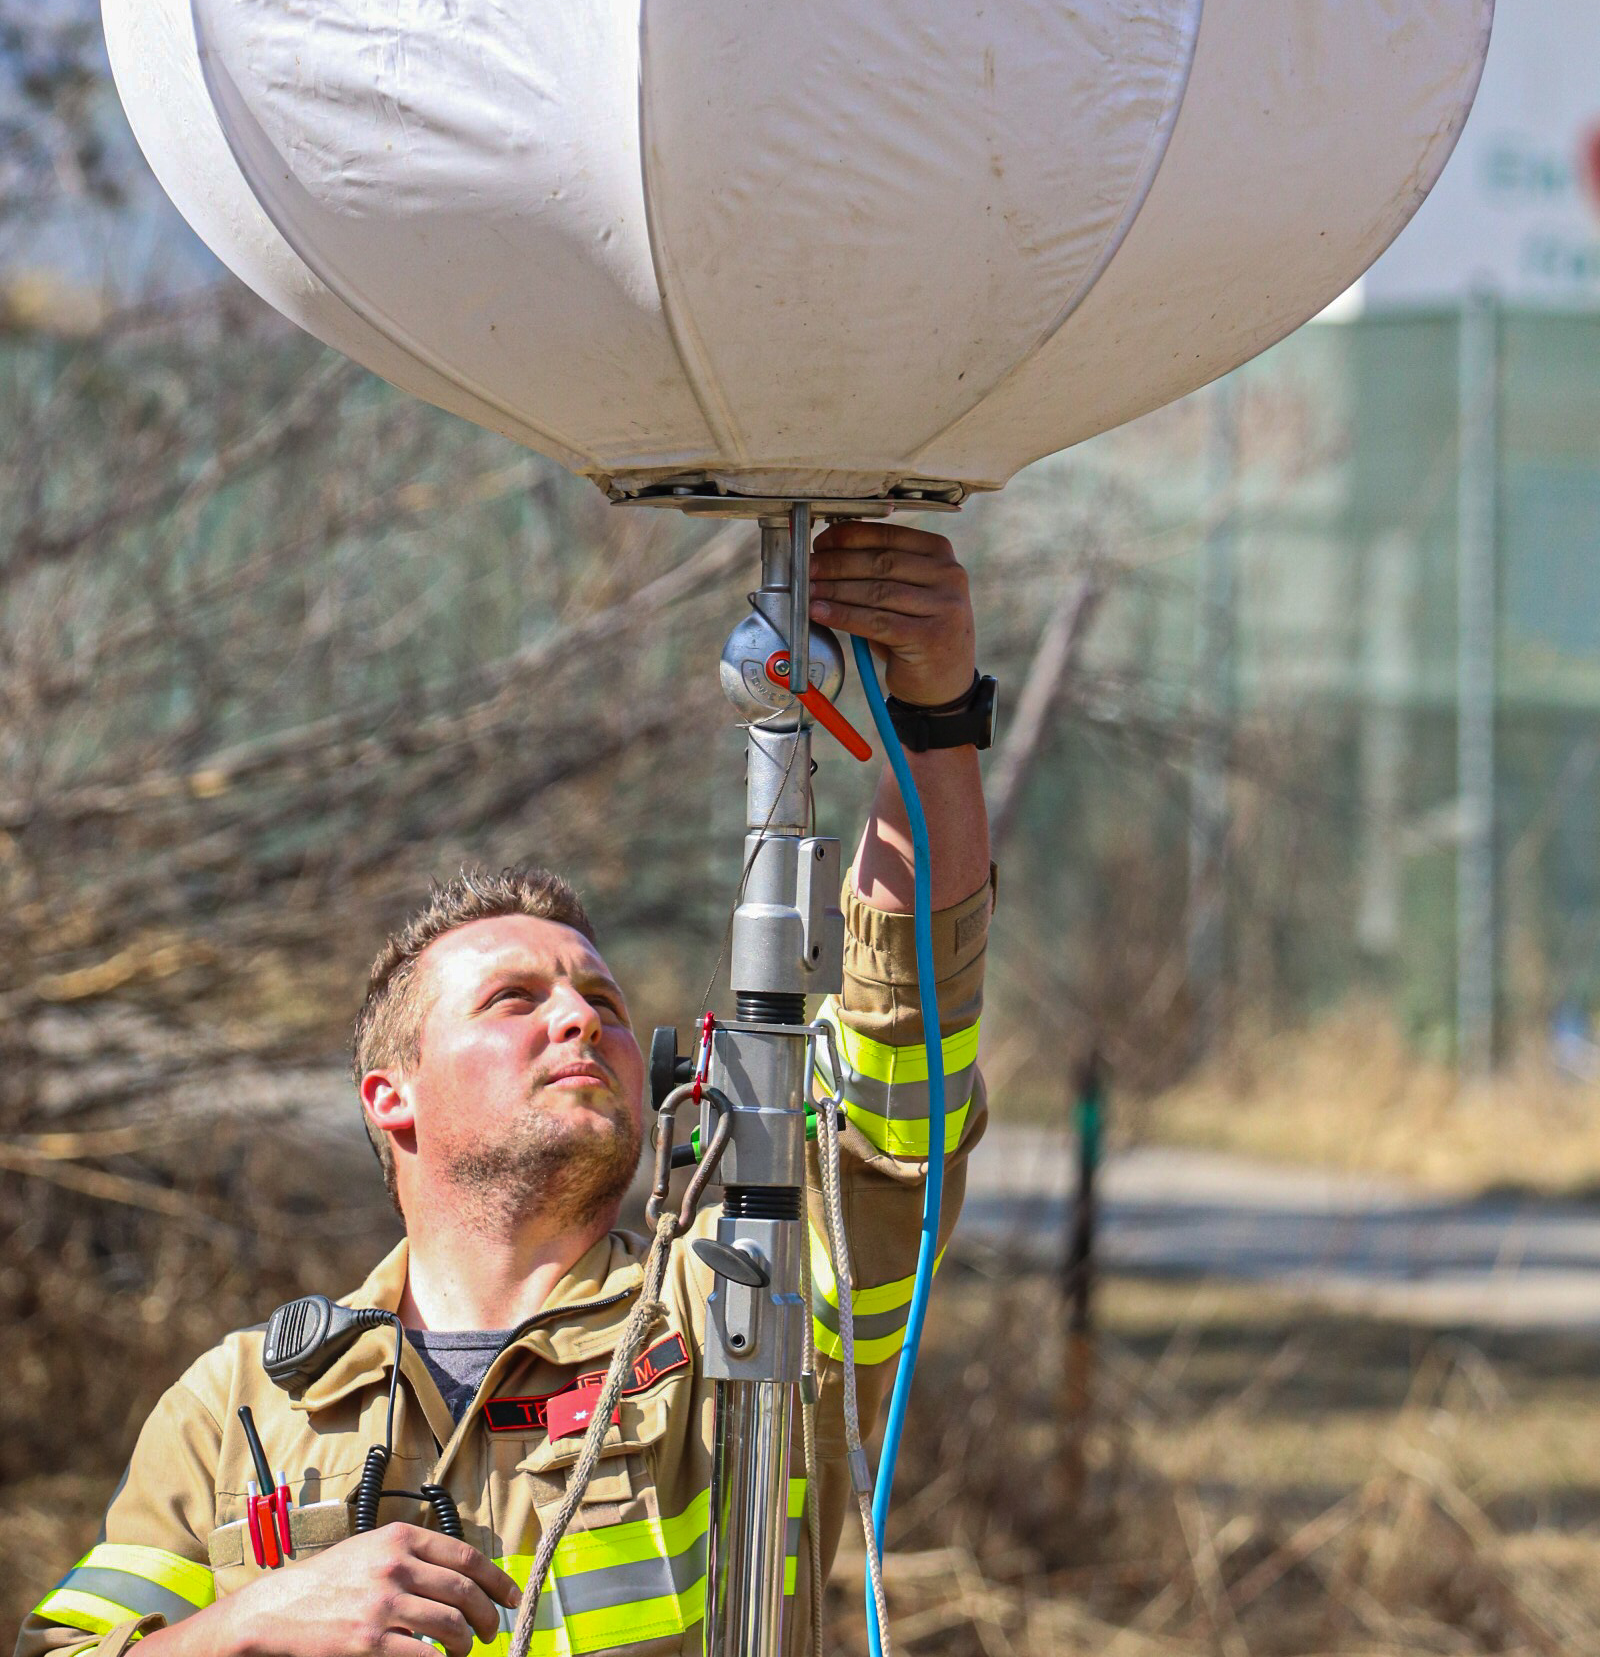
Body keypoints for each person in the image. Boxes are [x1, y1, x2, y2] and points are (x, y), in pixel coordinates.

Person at [20, 523, 994, 1657]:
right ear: (392, 1096)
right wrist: (245, 1626)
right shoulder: (238, 1410)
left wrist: (934, 724)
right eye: (513, 1000)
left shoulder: (742, 1318)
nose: (581, 1018)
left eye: (602, 1001)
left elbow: (893, 1070)